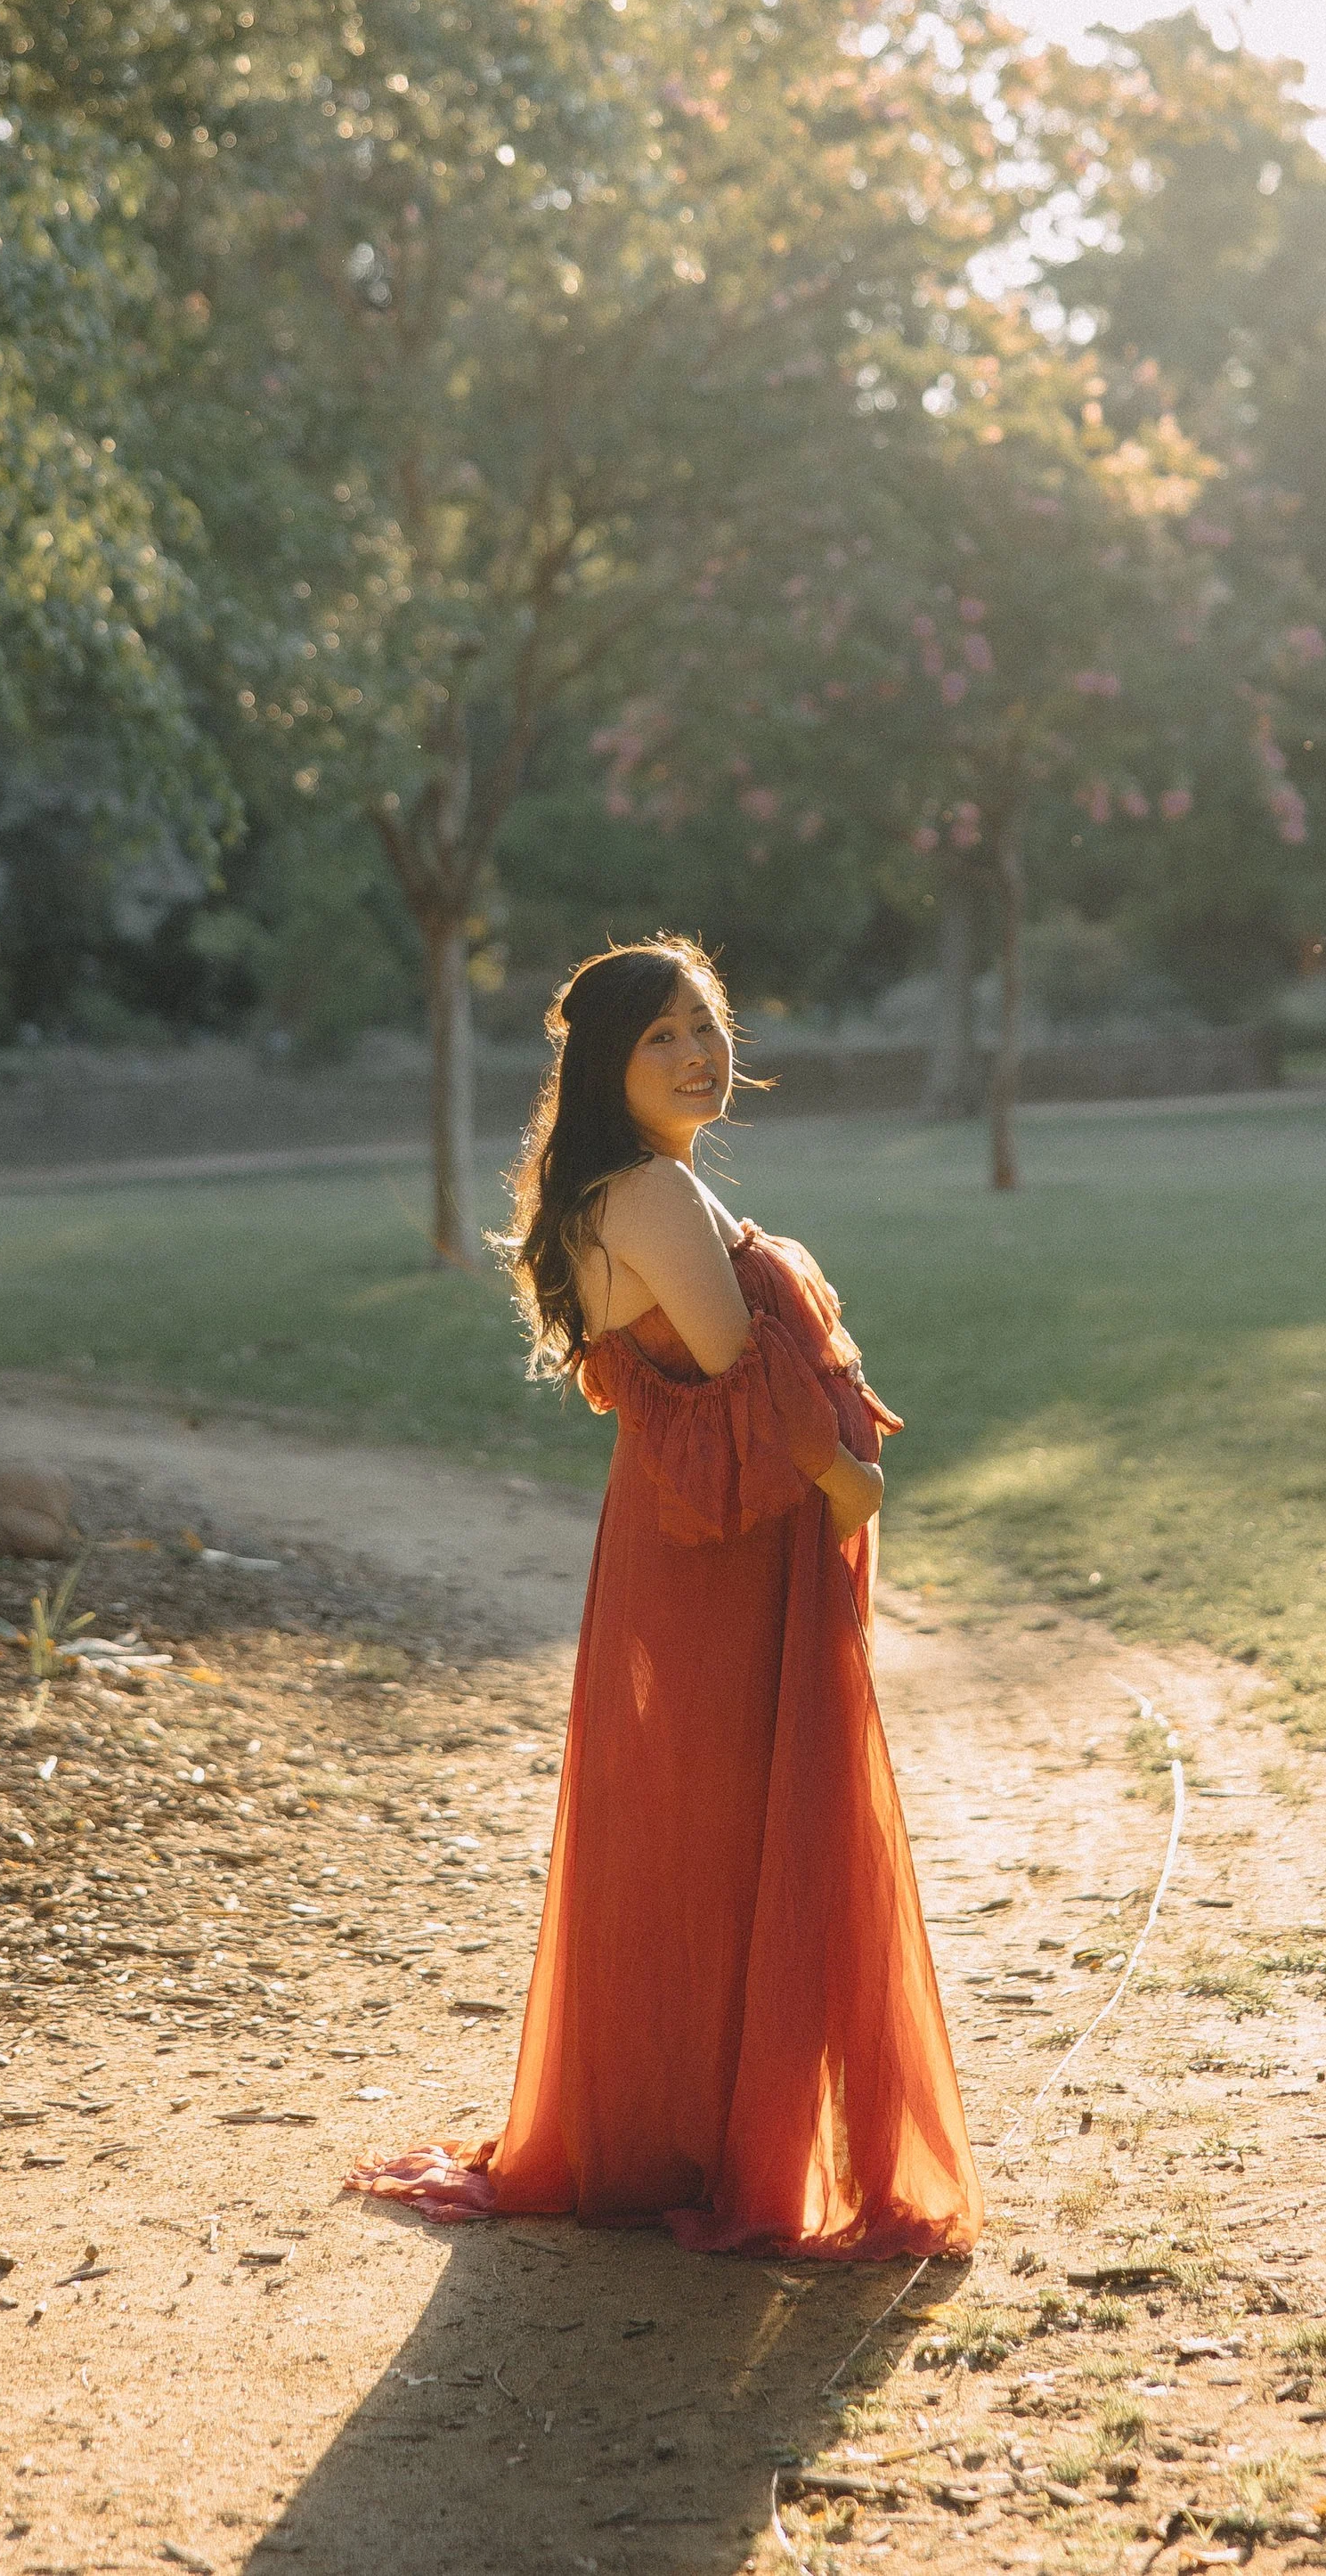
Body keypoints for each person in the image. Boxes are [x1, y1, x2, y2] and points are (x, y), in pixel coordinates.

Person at [348, 935, 983, 2258]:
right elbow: (737, 1373)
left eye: (710, 1025)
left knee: (711, 1826)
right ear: (605, 1062)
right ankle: (701, 2139)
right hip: (721, 1554)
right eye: (664, 1035)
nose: (700, 1053)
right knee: (738, 1818)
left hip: (701, 1543)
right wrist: (847, 1481)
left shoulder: (640, 1183)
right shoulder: (647, 1195)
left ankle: (688, 2120)